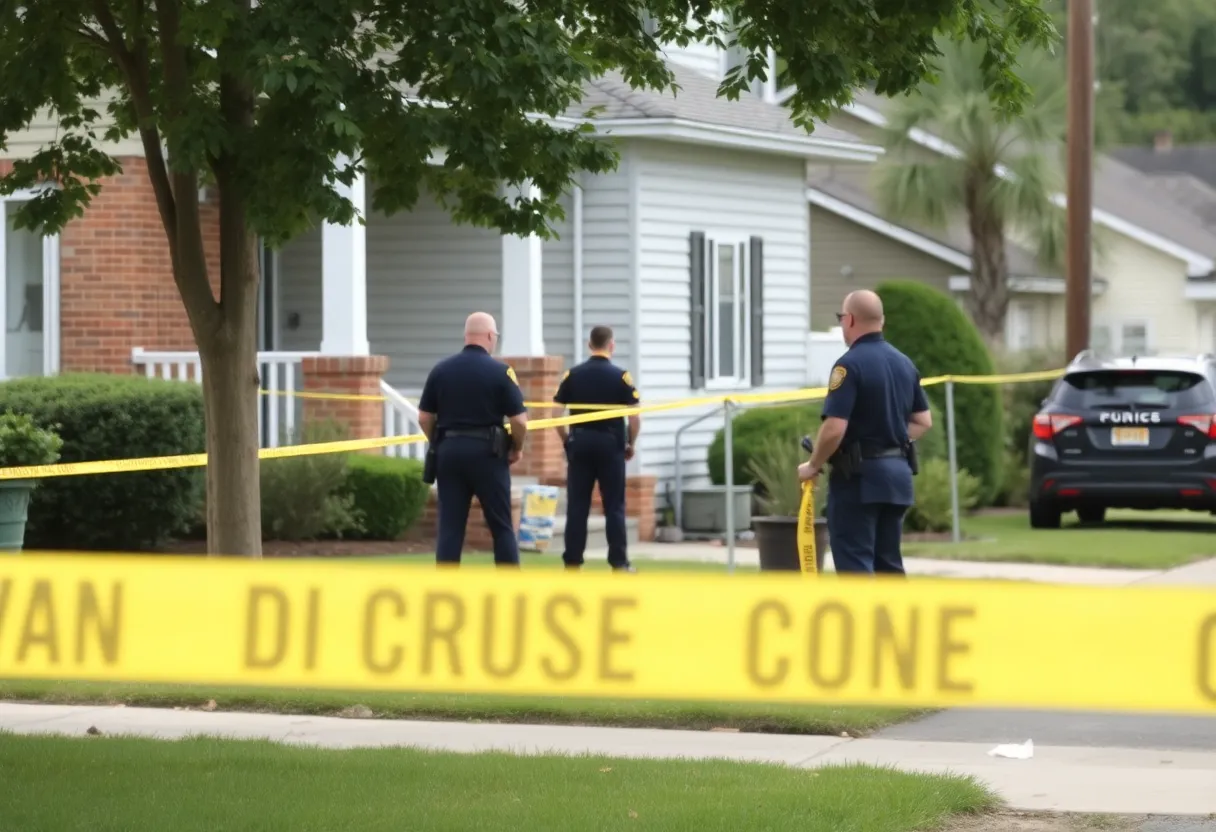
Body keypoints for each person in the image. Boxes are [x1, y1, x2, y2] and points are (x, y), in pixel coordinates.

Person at [798, 290, 933, 575]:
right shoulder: (904, 363)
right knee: (889, 568)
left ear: (849, 320)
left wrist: (813, 465)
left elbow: (834, 428)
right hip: (897, 477)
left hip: (859, 481)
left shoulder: (849, 365)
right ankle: (893, 621)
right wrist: (890, 437)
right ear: (881, 321)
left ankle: (865, 621)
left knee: (855, 567)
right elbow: (923, 421)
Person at [417, 311, 528, 567]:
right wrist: (517, 447)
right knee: (501, 526)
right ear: (490, 336)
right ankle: (510, 590)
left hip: (449, 452)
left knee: (450, 527)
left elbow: (424, 417)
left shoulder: (441, 369)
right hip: (488, 454)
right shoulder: (501, 371)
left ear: (467, 336)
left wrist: (439, 441)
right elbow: (519, 421)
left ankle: (446, 592)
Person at [553, 325, 642, 572]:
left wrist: (566, 440)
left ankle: (572, 562)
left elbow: (554, 414)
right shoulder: (621, 376)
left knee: (577, 506)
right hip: (609, 444)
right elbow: (635, 418)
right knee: (614, 506)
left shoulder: (572, 375)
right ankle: (619, 563)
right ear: (611, 345)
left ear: (590, 345)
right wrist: (630, 443)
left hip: (580, 444)